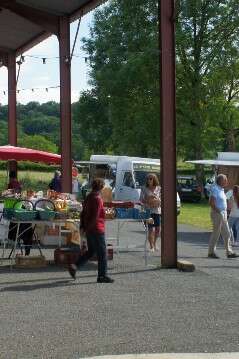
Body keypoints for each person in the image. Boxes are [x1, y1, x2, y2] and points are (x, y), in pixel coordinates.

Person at [68, 178, 114, 283]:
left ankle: (75, 266)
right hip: (97, 228)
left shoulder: (89, 197)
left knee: (91, 251)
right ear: (101, 187)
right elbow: (95, 217)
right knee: (102, 253)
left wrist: (83, 227)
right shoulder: (97, 198)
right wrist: (87, 228)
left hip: (89, 229)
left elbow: (83, 213)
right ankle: (102, 275)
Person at [208, 174, 238, 259]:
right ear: (221, 181)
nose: (227, 181)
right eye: (225, 180)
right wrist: (219, 211)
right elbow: (211, 202)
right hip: (217, 213)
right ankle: (211, 252)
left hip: (223, 213)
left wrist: (225, 211)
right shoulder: (215, 189)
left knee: (227, 233)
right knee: (216, 233)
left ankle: (229, 252)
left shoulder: (221, 189)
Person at [140, 173, 161, 252]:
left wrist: (158, 201)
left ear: (154, 179)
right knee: (150, 229)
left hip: (157, 211)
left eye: (151, 178)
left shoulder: (158, 188)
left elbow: (161, 199)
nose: (149, 180)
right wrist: (148, 199)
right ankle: (151, 246)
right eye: (148, 179)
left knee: (158, 229)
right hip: (148, 211)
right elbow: (141, 200)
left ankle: (155, 243)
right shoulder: (144, 188)